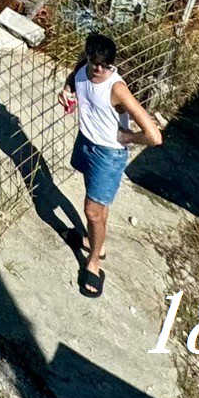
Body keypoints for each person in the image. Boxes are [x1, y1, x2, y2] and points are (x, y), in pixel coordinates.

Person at [67, 32, 163, 297]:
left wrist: (129, 137)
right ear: (87, 56)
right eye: (94, 62)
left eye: (105, 65)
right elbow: (76, 76)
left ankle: (94, 263)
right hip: (86, 142)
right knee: (98, 205)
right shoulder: (83, 68)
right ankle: (98, 244)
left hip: (108, 154)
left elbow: (155, 136)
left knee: (92, 211)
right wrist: (67, 90)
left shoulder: (116, 88)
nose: (99, 70)